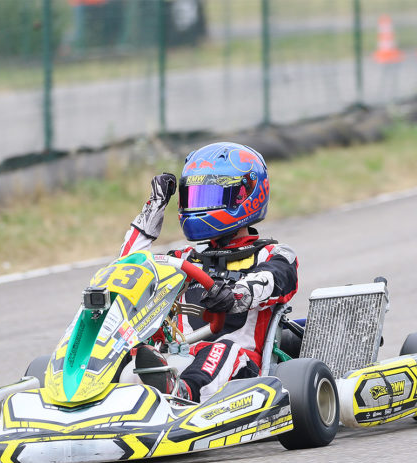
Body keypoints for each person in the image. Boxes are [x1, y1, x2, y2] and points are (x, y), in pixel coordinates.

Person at [119, 142, 298, 402]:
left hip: (241, 369)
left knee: (223, 349)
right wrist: (154, 208)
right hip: (175, 359)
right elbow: (127, 270)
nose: (198, 206)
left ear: (244, 196)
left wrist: (238, 294)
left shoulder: (273, 254)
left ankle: (183, 394)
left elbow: (272, 279)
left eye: (209, 198)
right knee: (127, 346)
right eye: (194, 197)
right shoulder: (182, 259)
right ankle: (84, 394)